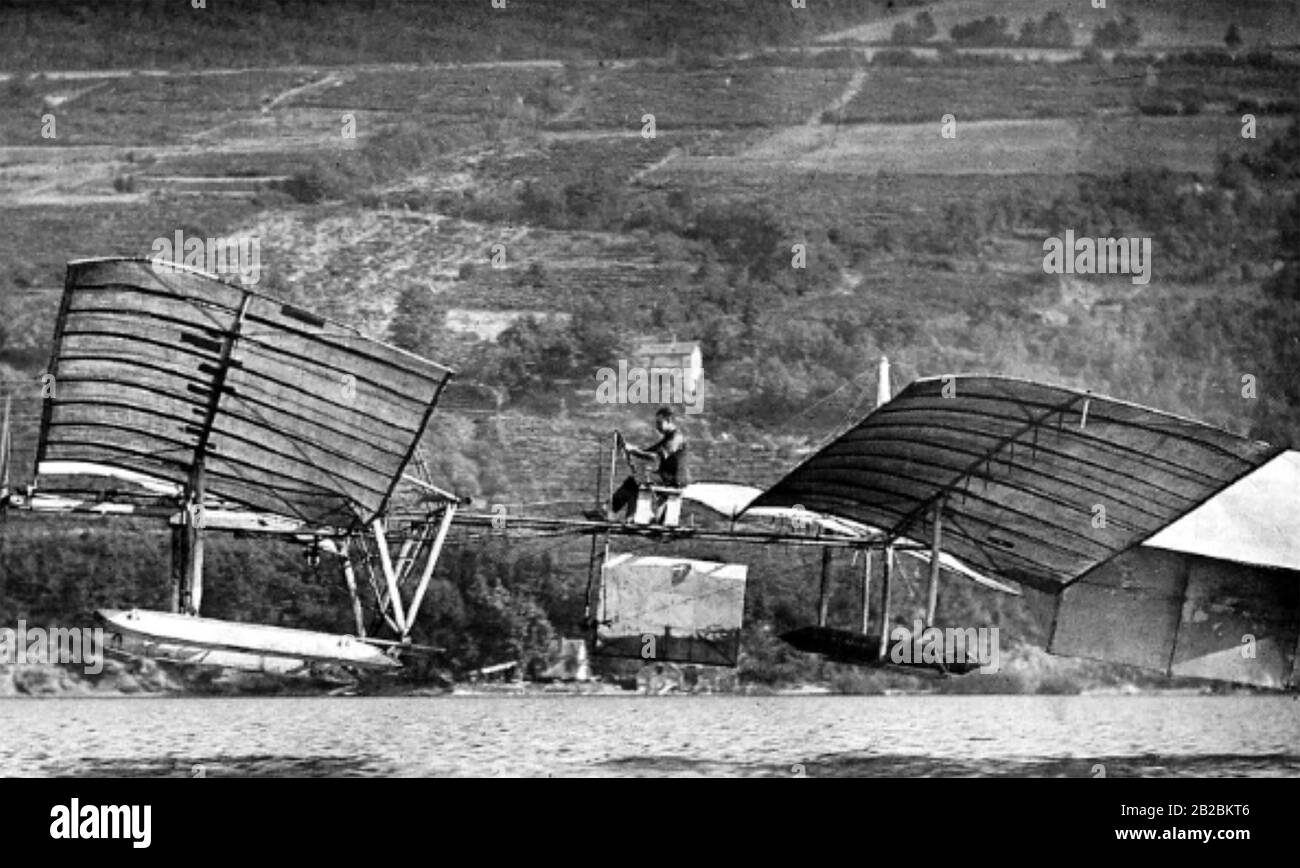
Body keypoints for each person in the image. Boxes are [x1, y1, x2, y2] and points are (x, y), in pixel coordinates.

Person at [589, 407, 687, 521]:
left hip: (674, 479)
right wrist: (630, 448)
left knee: (636, 479)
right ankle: (624, 514)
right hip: (664, 476)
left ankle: (608, 510)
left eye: (659, 423)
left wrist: (634, 451)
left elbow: (655, 457)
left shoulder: (676, 438)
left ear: (669, 420)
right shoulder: (667, 438)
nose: (657, 427)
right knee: (634, 479)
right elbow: (647, 452)